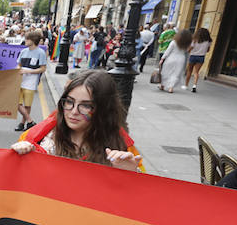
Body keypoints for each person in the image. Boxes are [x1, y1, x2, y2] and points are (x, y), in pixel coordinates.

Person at [11, 70, 143, 172]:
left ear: (104, 109)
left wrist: (129, 173)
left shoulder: (123, 147)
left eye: (86, 105)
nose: (74, 111)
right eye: (69, 102)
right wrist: (20, 155)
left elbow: (139, 196)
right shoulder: (39, 139)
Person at [15, 30, 48, 132]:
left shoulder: (40, 53)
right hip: (21, 80)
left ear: (33, 40)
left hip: (31, 81)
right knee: (16, 102)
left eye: (27, 39)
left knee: (27, 105)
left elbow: (43, 68)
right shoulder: (23, 52)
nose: (25, 41)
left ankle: (22, 123)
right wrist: (18, 70)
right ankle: (30, 121)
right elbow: (19, 65)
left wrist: (30, 71)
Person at [158, 29, 192, 93]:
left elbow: (168, 51)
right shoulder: (187, 44)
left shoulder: (174, 42)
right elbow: (187, 52)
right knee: (176, 74)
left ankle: (162, 85)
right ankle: (171, 88)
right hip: (181, 59)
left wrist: (162, 58)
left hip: (171, 58)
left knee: (166, 72)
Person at [183, 28, 211, 92]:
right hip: (201, 57)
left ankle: (186, 85)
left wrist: (188, 51)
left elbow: (191, 47)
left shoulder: (195, 39)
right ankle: (194, 85)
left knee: (189, 71)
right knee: (196, 72)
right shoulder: (208, 41)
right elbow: (208, 50)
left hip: (193, 56)